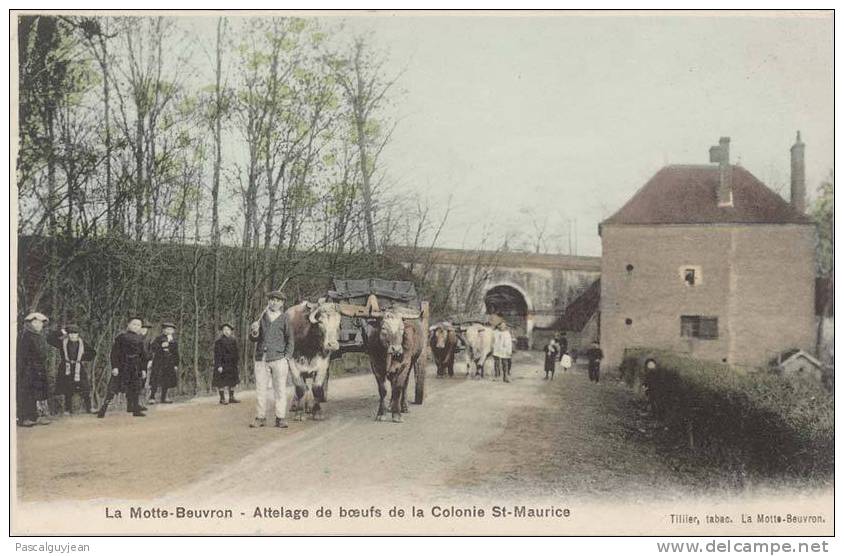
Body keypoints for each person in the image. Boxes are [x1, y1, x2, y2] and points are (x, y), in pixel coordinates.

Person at [249, 290, 296, 428]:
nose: (274, 302)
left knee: (280, 389)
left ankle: (280, 418)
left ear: (282, 303)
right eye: (271, 299)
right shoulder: (261, 317)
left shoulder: (284, 318)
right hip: (261, 359)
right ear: (268, 301)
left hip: (279, 359)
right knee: (260, 389)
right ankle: (260, 417)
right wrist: (255, 330)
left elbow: (290, 340)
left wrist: (287, 357)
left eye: (277, 300)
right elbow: (253, 338)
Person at [99, 317, 147, 417]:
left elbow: (143, 356)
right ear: (128, 325)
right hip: (123, 365)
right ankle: (103, 408)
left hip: (135, 367)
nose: (136, 326)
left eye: (139, 325)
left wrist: (143, 369)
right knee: (113, 387)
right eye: (134, 324)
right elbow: (114, 353)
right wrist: (115, 367)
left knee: (135, 387)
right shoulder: (121, 337)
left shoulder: (140, 339)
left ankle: (135, 409)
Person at [47, 324, 96, 415]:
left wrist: (81, 358)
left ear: (78, 334)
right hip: (66, 367)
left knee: (85, 387)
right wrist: (62, 331)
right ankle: (67, 409)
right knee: (67, 388)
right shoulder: (63, 342)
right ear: (68, 334)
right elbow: (50, 339)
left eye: (75, 333)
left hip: (78, 367)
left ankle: (89, 408)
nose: (72, 336)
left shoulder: (82, 343)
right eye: (70, 333)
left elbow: (93, 353)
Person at [17, 312, 51, 427]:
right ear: (30, 323)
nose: (38, 325)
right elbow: (23, 355)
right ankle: (24, 418)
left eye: (40, 323)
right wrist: (25, 369)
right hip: (29, 368)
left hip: (38, 368)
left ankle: (35, 416)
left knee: (38, 392)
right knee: (27, 392)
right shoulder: (26, 336)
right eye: (35, 322)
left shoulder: (38, 335)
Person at [149, 322, 179, 404]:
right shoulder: (158, 338)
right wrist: (161, 346)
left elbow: (176, 353)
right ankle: (152, 397)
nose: (169, 331)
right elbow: (153, 348)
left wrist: (176, 364)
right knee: (155, 379)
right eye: (167, 329)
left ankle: (164, 397)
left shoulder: (174, 340)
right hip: (159, 362)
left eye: (171, 329)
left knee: (167, 380)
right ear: (163, 330)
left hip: (169, 363)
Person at [213, 323, 240, 405]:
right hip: (223, 363)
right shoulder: (219, 341)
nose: (226, 331)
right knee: (221, 381)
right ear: (222, 331)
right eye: (224, 330)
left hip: (232, 364)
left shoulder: (233, 340)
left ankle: (231, 397)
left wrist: (236, 362)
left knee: (233, 381)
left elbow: (236, 352)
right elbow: (217, 354)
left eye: (228, 330)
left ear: (231, 331)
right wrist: (219, 365)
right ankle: (222, 398)